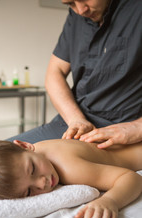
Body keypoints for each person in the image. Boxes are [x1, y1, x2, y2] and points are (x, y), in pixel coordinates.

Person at [7, 0, 142, 149]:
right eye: (70, 3)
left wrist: (136, 128)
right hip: (75, 123)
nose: (81, 10)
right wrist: (76, 120)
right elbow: (54, 72)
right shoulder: (77, 16)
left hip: (120, 131)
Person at [0, 138, 141, 218]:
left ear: (24, 145)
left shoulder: (70, 168)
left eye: (32, 169)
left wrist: (110, 200)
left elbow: (130, 177)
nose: (42, 182)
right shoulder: (35, 151)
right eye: (29, 192)